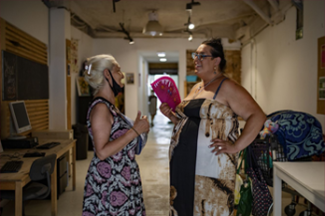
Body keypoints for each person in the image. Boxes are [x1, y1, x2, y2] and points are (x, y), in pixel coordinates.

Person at [160, 38, 266, 216]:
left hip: (210, 166)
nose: (196, 59)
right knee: (184, 207)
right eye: (196, 55)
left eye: (202, 55)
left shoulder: (227, 86)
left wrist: (236, 146)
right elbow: (190, 122)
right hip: (184, 164)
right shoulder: (196, 87)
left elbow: (258, 116)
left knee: (209, 208)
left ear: (216, 61)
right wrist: (171, 116)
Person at [81, 54, 149, 216]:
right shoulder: (100, 109)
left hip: (123, 179)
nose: (122, 75)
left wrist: (138, 130)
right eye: (118, 71)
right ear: (107, 74)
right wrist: (134, 131)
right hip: (110, 183)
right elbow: (102, 152)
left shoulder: (111, 106)